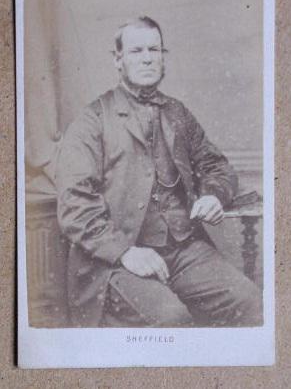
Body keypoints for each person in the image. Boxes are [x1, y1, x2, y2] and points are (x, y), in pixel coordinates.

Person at [56, 16, 262, 327]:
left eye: (155, 49)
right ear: (118, 60)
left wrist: (214, 194)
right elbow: (75, 205)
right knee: (171, 319)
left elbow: (216, 165)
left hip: (181, 249)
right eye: (137, 51)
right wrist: (125, 252)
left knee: (250, 301)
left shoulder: (177, 112)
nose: (148, 58)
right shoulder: (92, 121)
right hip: (114, 261)